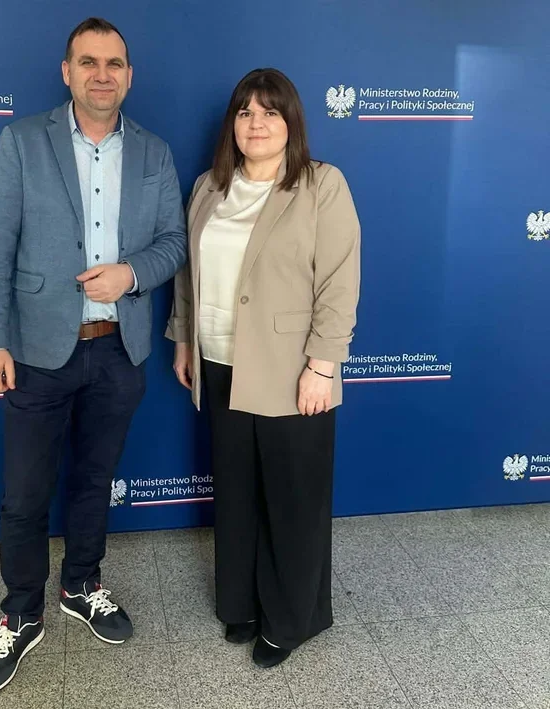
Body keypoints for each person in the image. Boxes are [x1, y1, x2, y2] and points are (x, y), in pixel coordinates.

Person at [0, 17, 186, 694]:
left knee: (95, 481)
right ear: (67, 72)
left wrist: (132, 274)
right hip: (37, 351)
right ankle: (21, 611)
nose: (101, 74)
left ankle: (82, 583)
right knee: (25, 494)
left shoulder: (154, 153)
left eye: (114, 63)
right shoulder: (22, 141)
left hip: (119, 350)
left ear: (129, 75)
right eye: (88, 62)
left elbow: (175, 242)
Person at [167, 68, 360, 669]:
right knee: (238, 494)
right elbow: (187, 274)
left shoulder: (321, 185)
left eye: (270, 112)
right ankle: (242, 603)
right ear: (232, 124)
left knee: (293, 499)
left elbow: (339, 281)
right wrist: (183, 341)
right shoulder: (207, 187)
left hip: (291, 370)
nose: (256, 123)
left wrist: (322, 367)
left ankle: (293, 618)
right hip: (219, 364)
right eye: (245, 112)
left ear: (291, 122)